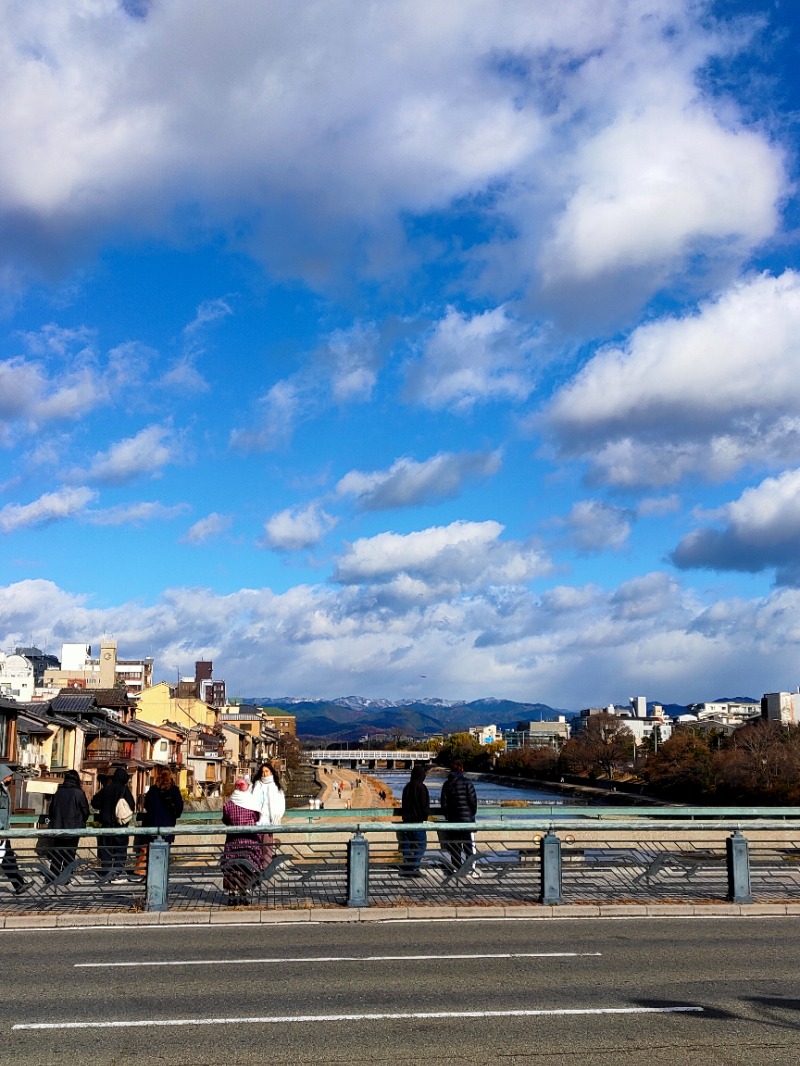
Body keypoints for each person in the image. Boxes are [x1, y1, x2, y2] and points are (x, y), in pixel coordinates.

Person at [132, 767, 185, 878]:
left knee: (150, 848)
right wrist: (173, 816)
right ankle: (161, 873)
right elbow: (179, 807)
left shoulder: (153, 790)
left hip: (152, 825)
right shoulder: (174, 790)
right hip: (167, 825)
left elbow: (146, 805)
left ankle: (149, 872)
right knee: (165, 849)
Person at [221, 779, 265, 906]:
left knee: (232, 867)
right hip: (249, 840)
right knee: (247, 867)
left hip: (233, 840)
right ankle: (244, 893)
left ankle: (232, 895)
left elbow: (225, 820)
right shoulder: (252, 802)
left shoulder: (228, 804)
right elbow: (257, 818)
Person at [91, 765, 135, 882]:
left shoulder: (106, 789)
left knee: (106, 850)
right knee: (120, 850)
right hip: (121, 826)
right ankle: (117, 874)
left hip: (106, 826)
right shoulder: (125, 790)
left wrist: (105, 807)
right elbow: (132, 806)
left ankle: (106, 873)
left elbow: (94, 802)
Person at [46, 770, 90, 882]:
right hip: (73, 829)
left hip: (58, 828)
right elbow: (85, 810)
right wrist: (81, 821)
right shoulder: (78, 793)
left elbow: (51, 810)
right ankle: (66, 878)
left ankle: (53, 877)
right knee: (70, 855)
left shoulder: (58, 792)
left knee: (57, 854)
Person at [439, 760, 478, 873]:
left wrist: (448, 815)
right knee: (469, 846)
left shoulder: (447, 784)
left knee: (455, 845)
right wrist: (471, 813)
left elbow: (444, 804)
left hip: (453, 820)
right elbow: (473, 801)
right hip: (467, 821)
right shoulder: (467, 782)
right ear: (461, 769)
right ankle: (470, 868)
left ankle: (456, 868)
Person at [248, 761, 286, 866]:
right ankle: (255, 867)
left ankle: (265, 867)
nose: (265, 774)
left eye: (267, 771)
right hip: (255, 821)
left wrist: (277, 816)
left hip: (269, 821)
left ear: (271, 772)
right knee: (255, 846)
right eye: (263, 771)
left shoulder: (276, 787)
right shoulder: (255, 785)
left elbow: (281, 804)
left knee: (267, 846)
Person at [397, 764, 430, 877]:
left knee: (407, 845)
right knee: (420, 845)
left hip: (406, 822)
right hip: (417, 822)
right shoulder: (422, 787)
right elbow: (425, 806)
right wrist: (424, 817)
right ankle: (414, 868)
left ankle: (406, 867)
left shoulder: (407, 787)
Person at [0, 764, 27, 894]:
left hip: (3, 832)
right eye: (9, 775)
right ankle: (19, 884)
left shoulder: (3, 788)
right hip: (1, 832)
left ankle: (19, 884)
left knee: (8, 858)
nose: (11, 778)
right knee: (7, 858)